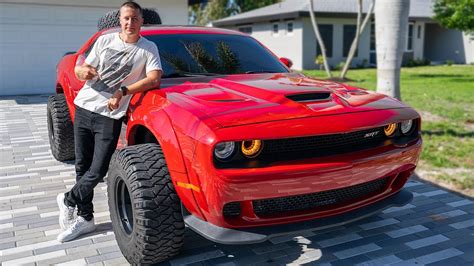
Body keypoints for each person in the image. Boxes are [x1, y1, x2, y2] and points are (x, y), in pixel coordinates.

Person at [56, 1, 162, 242]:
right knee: (82, 167)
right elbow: (81, 70)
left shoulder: (148, 48)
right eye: (126, 18)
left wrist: (123, 91)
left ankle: (67, 199)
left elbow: (154, 78)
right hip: (84, 107)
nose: (130, 23)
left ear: (141, 21)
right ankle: (85, 218)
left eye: (135, 18)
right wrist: (84, 72)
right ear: (120, 20)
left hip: (110, 115)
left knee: (99, 169)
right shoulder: (104, 41)